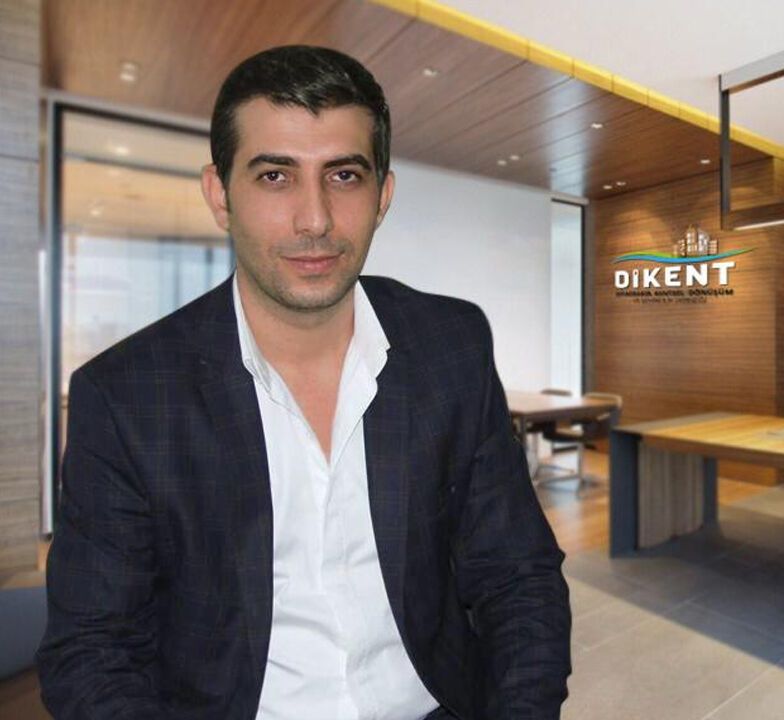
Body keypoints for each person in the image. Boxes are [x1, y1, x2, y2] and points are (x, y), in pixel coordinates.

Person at [36, 45, 571, 720]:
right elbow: (91, 653)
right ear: (219, 195)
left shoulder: (451, 346)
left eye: (343, 175)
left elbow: (517, 575)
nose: (314, 219)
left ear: (383, 196)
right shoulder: (127, 397)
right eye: (275, 176)